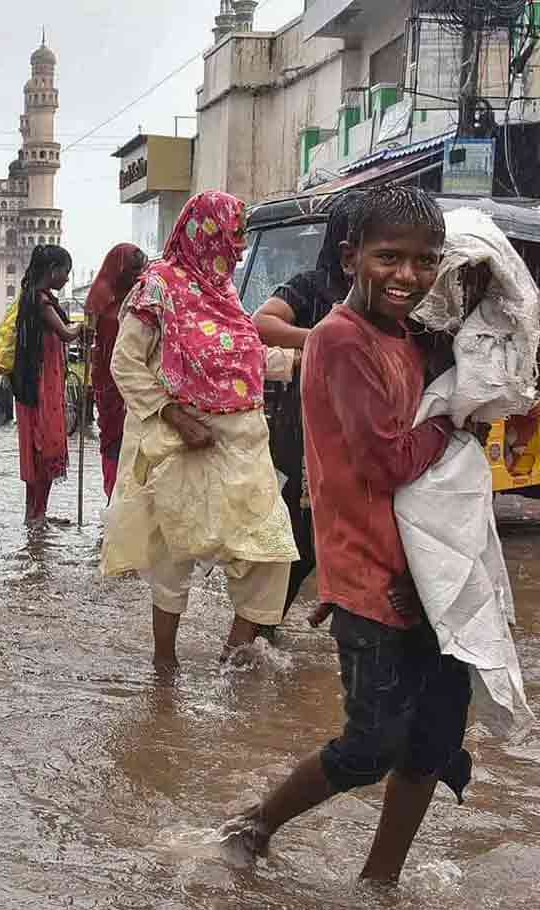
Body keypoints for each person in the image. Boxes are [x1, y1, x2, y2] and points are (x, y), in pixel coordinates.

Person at [219, 187, 475, 884]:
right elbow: (388, 458)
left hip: (437, 575)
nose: (408, 276)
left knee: (432, 743)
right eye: (389, 257)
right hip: (372, 578)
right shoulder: (338, 338)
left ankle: (380, 883)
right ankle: (251, 826)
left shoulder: (411, 336)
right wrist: (456, 419)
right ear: (350, 257)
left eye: (425, 261)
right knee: (369, 747)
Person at [100, 191, 298, 666]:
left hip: (243, 439)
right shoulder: (159, 285)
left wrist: (301, 360)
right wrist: (176, 417)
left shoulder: (224, 292)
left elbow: (237, 360)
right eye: (235, 235)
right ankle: (164, 668)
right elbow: (125, 363)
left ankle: (234, 654)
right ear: (207, 233)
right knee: (176, 550)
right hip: (183, 437)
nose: (241, 247)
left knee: (270, 548)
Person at [253, 191, 363, 622]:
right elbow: (262, 323)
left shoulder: (390, 295)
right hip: (305, 430)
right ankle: (259, 627)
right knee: (299, 536)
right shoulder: (312, 287)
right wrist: (321, 337)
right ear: (346, 248)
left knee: (347, 534)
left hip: (363, 432)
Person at [11, 244, 82, 526]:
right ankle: (36, 515)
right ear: (53, 271)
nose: (66, 279)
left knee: (39, 449)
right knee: (45, 448)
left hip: (37, 383)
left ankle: (35, 513)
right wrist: (87, 323)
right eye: (65, 272)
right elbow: (66, 333)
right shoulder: (41, 300)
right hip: (42, 386)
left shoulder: (31, 297)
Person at [86, 243, 148, 500]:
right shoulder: (101, 296)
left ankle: (132, 499)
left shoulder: (140, 296)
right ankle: (113, 495)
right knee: (113, 439)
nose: (135, 277)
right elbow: (91, 341)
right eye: (131, 271)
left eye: (139, 271)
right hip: (109, 383)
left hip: (138, 379)